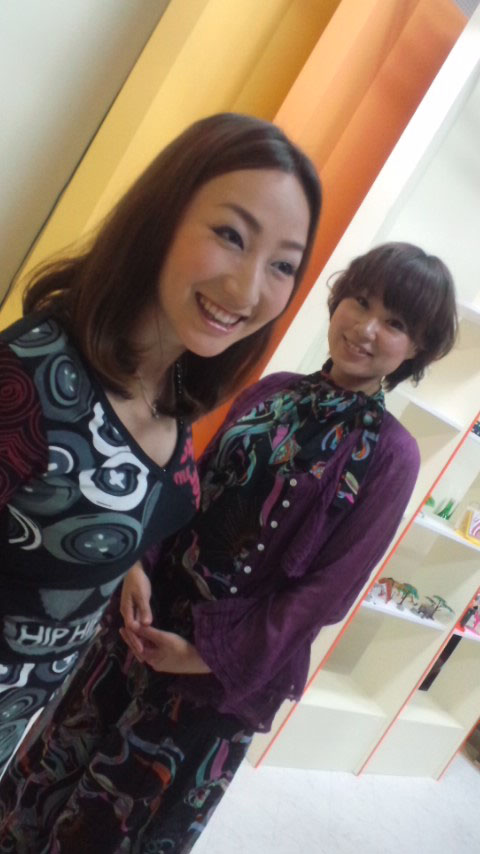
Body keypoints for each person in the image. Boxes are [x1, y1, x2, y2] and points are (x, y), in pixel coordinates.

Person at [0, 242, 457, 853]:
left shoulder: (393, 454)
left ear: (417, 348)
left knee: (107, 828)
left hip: (216, 678)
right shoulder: (274, 390)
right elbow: (189, 485)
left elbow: (326, 594)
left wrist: (203, 657)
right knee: (41, 782)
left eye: (394, 323)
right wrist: (137, 565)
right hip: (139, 626)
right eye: (361, 301)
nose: (366, 329)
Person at [0, 112, 321, 776]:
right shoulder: (33, 378)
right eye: (230, 235)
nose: (247, 288)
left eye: (283, 265)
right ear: (163, 216)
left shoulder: (174, 386)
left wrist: (125, 564)